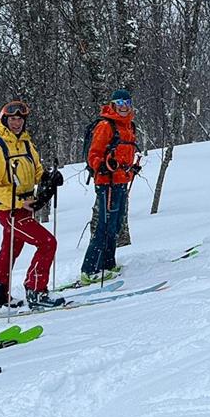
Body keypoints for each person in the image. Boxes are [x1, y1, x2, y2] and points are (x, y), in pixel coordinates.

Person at [0, 100, 65, 310]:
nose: (17, 123)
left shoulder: (26, 143)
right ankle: (36, 290)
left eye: (20, 119)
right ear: (4, 120)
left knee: (10, 250)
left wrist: (48, 177)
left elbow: (36, 171)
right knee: (47, 243)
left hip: (25, 206)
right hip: (8, 209)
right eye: (12, 119)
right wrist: (18, 201)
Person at [81, 89, 139, 283]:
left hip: (121, 181)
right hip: (107, 183)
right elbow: (94, 154)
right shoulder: (106, 125)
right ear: (113, 105)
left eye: (127, 103)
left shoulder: (129, 126)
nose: (124, 107)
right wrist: (103, 166)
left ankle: (108, 264)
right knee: (104, 226)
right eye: (120, 103)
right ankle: (90, 270)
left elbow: (125, 155)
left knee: (115, 224)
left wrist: (132, 169)